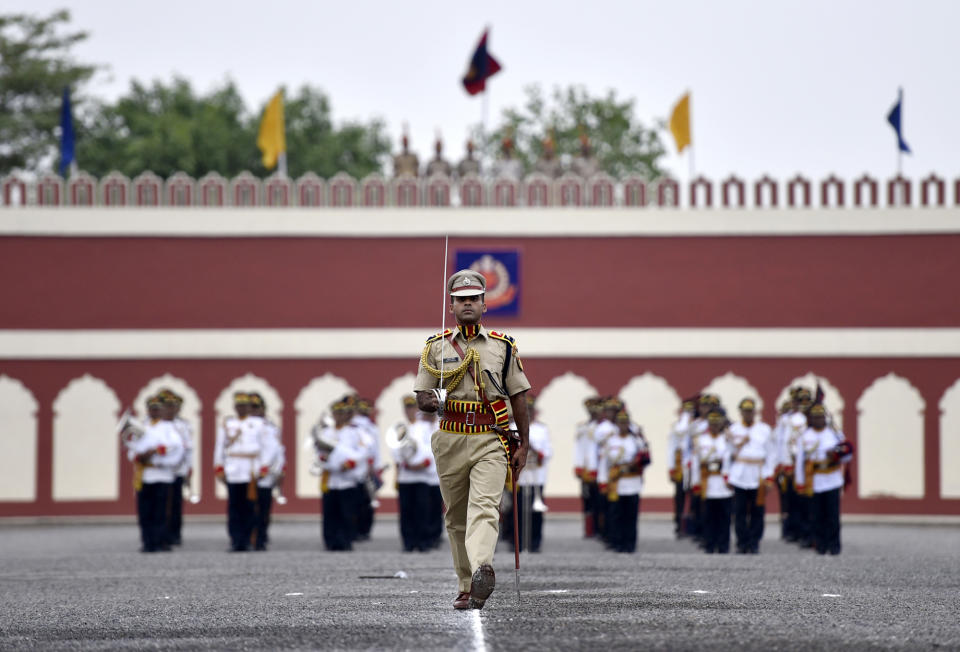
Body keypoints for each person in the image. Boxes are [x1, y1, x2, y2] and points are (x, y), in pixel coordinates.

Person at [415, 269, 531, 611]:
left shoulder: (502, 347)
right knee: (456, 516)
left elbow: (519, 397)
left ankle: (482, 567)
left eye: (473, 299)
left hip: (489, 438)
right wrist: (432, 400)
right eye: (461, 299)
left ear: (484, 304)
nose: (467, 304)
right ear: (451, 306)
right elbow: (421, 396)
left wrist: (524, 443)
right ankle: (466, 584)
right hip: (450, 436)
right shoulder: (434, 347)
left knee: (485, 507)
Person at [126, 394, 184, 553]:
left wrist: (160, 458)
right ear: (148, 410)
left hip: (162, 474)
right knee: (145, 511)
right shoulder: (141, 427)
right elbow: (131, 448)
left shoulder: (169, 428)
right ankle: (148, 541)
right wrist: (139, 456)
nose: (155, 411)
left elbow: (177, 449)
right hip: (144, 474)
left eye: (157, 409)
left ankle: (161, 541)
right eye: (152, 409)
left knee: (161, 511)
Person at [795, 403, 854, 555]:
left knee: (833, 515)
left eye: (820, 417)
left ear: (825, 418)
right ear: (811, 419)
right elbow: (800, 460)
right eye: (815, 417)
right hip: (814, 480)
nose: (818, 420)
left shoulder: (834, 434)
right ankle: (820, 545)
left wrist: (835, 454)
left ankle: (834, 545)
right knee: (816, 515)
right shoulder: (805, 436)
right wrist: (800, 482)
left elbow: (848, 454)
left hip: (832, 479)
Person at [313, 398, 368, 551]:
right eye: (336, 413)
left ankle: (345, 540)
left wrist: (351, 462)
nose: (338, 416)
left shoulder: (355, 431)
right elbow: (318, 451)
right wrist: (322, 459)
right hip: (330, 477)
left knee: (347, 512)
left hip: (347, 478)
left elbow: (363, 451)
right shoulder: (326, 432)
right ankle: (330, 541)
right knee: (329, 512)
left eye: (341, 413)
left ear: (346, 415)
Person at [213, 392, 263, 552]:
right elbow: (220, 446)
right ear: (235, 407)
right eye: (239, 405)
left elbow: (266, 447)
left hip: (250, 470)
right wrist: (219, 466)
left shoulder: (258, 424)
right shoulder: (228, 424)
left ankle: (248, 539)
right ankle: (235, 540)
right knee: (234, 507)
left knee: (249, 507)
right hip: (233, 469)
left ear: (249, 407)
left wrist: (263, 466)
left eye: (245, 405)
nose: (242, 408)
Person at [727, 398, 777, 553]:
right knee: (739, 511)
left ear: (755, 412)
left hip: (758, 475)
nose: (748, 414)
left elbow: (771, 454)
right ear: (740, 412)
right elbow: (727, 454)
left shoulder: (764, 430)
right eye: (745, 411)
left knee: (758, 511)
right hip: (740, 475)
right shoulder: (733, 429)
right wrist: (727, 475)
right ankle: (742, 542)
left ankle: (754, 542)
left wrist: (769, 476)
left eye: (750, 411)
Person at [598, 409, 650, 553]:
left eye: (625, 422)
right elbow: (604, 462)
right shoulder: (611, 441)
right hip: (616, 483)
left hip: (632, 482)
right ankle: (617, 542)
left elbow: (645, 459)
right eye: (620, 422)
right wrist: (602, 481)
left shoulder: (636, 441)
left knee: (631, 515)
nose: (623, 425)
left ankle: (630, 543)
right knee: (616, 515)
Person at [389, 395, 435, 552]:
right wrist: (405, 463)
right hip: (406, 475)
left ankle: (423, 542)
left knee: (422, 510)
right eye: (407, 408)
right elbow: (393, 448)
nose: (410, 411)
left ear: (417, 409)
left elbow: (431, 447)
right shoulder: (399, 427)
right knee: (406, 511)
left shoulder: (425, 427)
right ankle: (408, 542)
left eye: (412, 408)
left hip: (422, 475)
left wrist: (423, 463)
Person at [691, 408, 733, 554]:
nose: (714, 426)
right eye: (712, 424)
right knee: (708, 516)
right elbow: (696, 463)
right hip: (707, 482)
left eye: (717, 424)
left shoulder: (727, 440)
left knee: (724, 517)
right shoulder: (701, 440)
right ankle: (709, 543)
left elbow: (731, 461)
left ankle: (723, 545)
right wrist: (695, 483)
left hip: (723, 483)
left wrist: (731, 479)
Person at [250, 393, 284, 551]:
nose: (253, 411)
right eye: (251, 408)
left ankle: (261, 538)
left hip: (265, 473)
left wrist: (277, 469)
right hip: (246, 474)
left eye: (256, 407)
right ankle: (245, 537)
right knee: (245, 508)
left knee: (263, 508)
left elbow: (276, 450)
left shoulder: (269, 428)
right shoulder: (240, 427)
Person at [160, 389, 193, 546]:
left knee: (175, 504)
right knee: (159, 504)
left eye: (172, 406)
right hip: (159, 470)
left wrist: (188, 469)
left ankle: (175, 533)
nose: (170, 409)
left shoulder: (182, 426)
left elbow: (188, 449)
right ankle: (160, 533)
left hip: (177, 469)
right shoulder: (153, 424)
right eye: (166, 406)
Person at [667, 397, 696, 538]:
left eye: (690, 411)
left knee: (695, 496)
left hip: (694, 466)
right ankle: (679, 524)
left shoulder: (697, 426)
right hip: (680, 465)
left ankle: (692, 525)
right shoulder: (677, 427)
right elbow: (671, 448)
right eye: (686, 411)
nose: (688, 414)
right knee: (679, 496)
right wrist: (671, 467)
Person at [573, 397, 601, 538]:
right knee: (587, 498)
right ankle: (589, 529)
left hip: (600, 468)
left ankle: (599, 529)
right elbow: (578, 448)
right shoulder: (582, 427)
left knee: (600, 499)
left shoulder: (602, 428)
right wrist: (578, 466)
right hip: (586, 469)